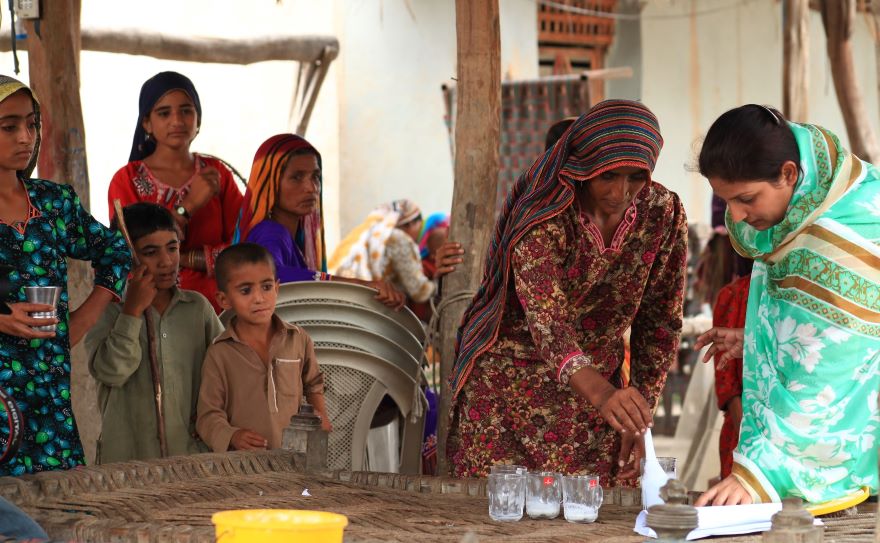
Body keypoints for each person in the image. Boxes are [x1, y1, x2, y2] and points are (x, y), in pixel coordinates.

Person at [447, 100, 688, 486]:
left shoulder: (663, 212)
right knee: (502, 515)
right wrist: (607, 397)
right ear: (583, 166)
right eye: (607, 176)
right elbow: (548, 323)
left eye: (636, 178)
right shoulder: (544, 215)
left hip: (595, 395)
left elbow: (661, 319)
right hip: (507, 391)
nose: (620, 192)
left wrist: (638, 411)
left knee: (591, 519)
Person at [694, 104, 880, 506]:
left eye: (746, 198)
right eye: (729, 201)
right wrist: (757, 339)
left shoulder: (837, 238)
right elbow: (834, 332)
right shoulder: (806, 217)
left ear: (789, 174)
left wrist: (762, 472)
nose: (737, 217)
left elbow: (828, 370)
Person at [0, 75, 131, 476]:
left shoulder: (54, 203)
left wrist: (85, 319)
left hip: (50, 404)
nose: (25, 136)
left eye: (32, 123)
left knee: (63, 514)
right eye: (9, 126)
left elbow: (116, 251)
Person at [85, 203, 222, 463]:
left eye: (172, 248)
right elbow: (112, 372)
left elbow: (226, 372)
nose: (167, 261)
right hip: (126, 462)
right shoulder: (108, 311)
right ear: (127, 255)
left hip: (191, 458)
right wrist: (132, 311)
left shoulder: (197, 308)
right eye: (150, 252)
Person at [108, 71, 243, 313]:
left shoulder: (217, 173)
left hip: (218, 308)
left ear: (198, 119)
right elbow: (131, 252)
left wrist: (189, 259)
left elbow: (244, 245)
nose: (177, 120)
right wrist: (187, 206)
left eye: (186, 110)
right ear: (147, 123)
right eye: (164, 113)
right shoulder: (127, 179)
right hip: (151, 309)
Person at [234, 134, 406, 309]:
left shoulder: (292, 238)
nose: (312, 188)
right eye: (297, 177)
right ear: (270, 184)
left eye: (316, 177)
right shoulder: (271, 232)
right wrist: (358, 286)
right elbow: (269, 274)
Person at [196, 243, 330, 452]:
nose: (259, 298)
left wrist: (321, 416)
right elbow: (208, 415)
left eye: (266, 287)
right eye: (246, 290)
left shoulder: (297, 339)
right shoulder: (220, 354)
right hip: (244, 469)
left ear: (277, 288)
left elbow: (313, 384)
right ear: (224, 299)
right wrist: (232, 435)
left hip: (294, 459)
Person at [330, 199, 463, 306]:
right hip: (365, 308)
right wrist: (439, 283)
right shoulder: (398, 238)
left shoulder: (369, 236)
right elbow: (420, 292)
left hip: (340, 299)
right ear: (410, 224)